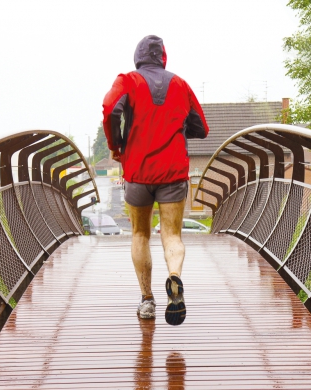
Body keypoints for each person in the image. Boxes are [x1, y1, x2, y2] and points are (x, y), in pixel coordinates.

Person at [102, 35, 209, 326]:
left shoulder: (128, 80)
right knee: (172, 236)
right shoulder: (180, 84)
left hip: (137, 171)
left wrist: (116, 144)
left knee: (140, 235)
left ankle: (147, 300)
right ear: (163, 57)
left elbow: (111, 108)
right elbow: (202, 128)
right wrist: (178, 127)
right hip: (173, 171)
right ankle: (174, 276)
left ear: (137, 56)